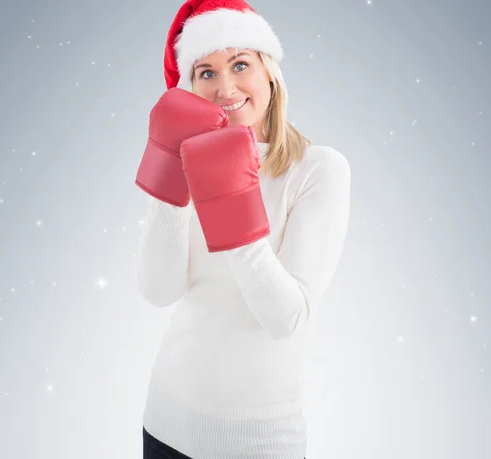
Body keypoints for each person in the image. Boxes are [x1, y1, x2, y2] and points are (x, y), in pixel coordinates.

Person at [134, 0, 351, 458]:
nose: (226, 86)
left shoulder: (317, 170)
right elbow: (158, 290)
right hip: (165, 424)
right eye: (206, 72)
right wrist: (168, 185)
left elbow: (285, 318)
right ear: (189, 87)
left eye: (239, 64)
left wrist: (231, 198)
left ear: (269, 71)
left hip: (258, 444)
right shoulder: (184, 160)